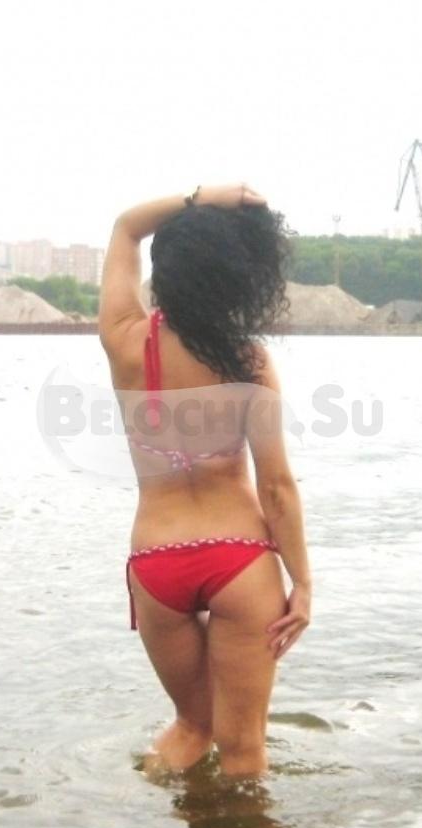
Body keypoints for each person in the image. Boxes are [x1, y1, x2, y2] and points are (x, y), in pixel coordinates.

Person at [99, 183, 311, 778]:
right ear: (234, 280)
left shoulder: (124, 341)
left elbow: (126, 225)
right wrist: (302, 582)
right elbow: (276, 489)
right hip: (238, 557)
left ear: (167, 274)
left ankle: (135, 811)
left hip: (157, 561)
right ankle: (243, 827)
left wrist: (202, 196)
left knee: (193, 727)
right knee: (244, 747)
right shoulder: (248, 362)